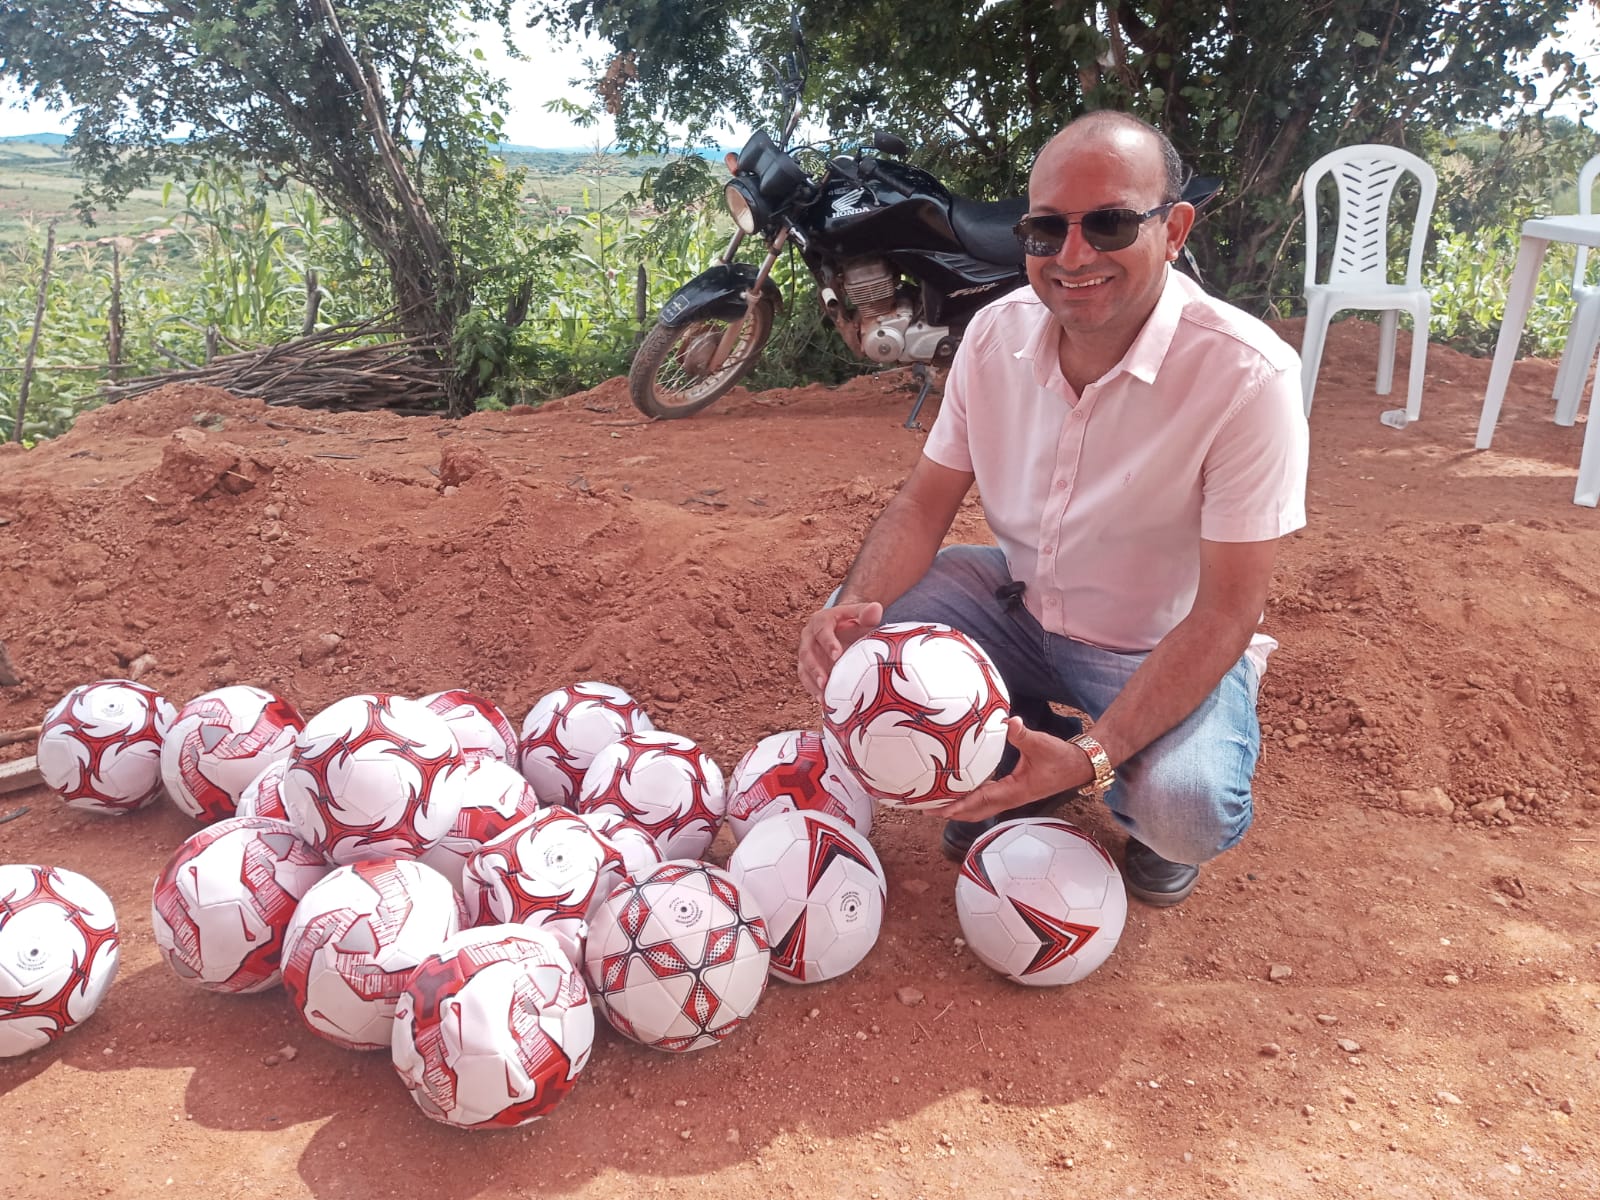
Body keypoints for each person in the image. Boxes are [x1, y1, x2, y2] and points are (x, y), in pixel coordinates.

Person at [796, 110, 1308, 907]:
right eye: (1045, 229)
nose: (1074, 256)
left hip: (1161, 643)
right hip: (1022, 607)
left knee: (1186, 811)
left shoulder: (1247, 376)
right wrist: (856, 604)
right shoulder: (993, 337)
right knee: (858, 627)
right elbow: (927, 501)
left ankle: (1122, 778)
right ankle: (1025, 759)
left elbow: (1226, 610)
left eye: (1108, 224)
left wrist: (1098, 759)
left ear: (1173, 230)